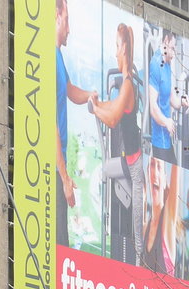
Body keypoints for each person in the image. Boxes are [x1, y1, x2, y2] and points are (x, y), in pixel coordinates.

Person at [90, 24, 144, 264]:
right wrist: (97, 104)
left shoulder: (129, 85)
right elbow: (112, 108)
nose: (114, 52)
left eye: (116, 46)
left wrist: (95, 109)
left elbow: (112, 119)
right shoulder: (125, 85)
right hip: (127, 162)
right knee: (103, 172)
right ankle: (111, 225)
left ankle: (139, 269)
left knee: (137, 228)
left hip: (134, 167)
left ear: (123, 48)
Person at [56, 0, 97, 246]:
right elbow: (50, 125)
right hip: (52, 166)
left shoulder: (57, 56)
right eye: (68, 20)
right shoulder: (47, 57)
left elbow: (69, 89)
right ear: (57, 16)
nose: (70, 29)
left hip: (58, 161)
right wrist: (64, 179)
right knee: (59, 241)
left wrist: (89, 96)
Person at [148, 30, 189, 165]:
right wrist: (166, 122)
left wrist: (181, 101)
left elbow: (172, 99)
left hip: (167, 139)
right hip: (159, 140)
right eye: (172, 48)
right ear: (165, 41)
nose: (174, 52)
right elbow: (153, 107)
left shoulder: (167, 64)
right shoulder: (155, 64)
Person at [142, 157, 180, 277]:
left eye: (159, 167)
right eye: (152, 165)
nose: (155, 173)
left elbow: (177, 165)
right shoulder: (145, 228)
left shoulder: (168, 220)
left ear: (164, 180)